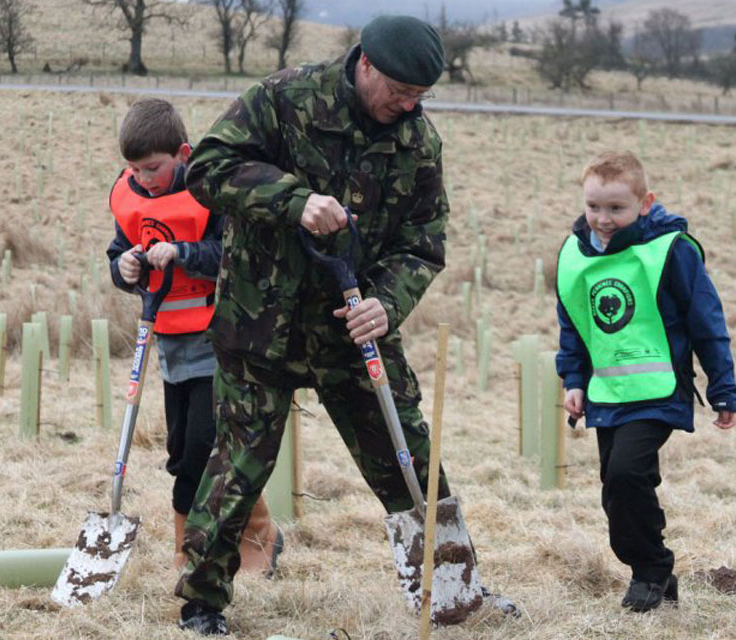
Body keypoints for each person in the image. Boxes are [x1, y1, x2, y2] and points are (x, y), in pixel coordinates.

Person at [174, 15, 515, 635]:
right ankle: (201, 601)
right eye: (399, 91)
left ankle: (453, 593)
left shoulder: (418, 144)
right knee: (239, 467)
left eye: (419, 96)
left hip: (355, 335)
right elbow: (208, 169)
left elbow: (424, 242)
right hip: (260, 326)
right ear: (365, 64)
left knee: (409, 459)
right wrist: (292, 200)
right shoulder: (284, 97)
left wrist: (387, 301)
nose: (407, 105)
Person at [555, 151, 736, 613]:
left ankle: (650, 572)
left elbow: (706, 320)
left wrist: (723, 387)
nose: (603, 218)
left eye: (616, 208)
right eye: (594, 207)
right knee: (616, 493)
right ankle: (656, 568)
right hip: (606, 395)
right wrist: (573, 380)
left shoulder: (670, 249)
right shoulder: (575, 255)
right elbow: (575, 325)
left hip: (659, 392)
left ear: (645, 202)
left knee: (627, 473)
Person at [106, 98, 281, 578]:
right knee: (182, 450)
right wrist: (123, 268)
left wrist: (181, 252)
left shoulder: (211, 190)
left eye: (153, 168)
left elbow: (231, 254)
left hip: (217, 340)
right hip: (170, 346)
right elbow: (119, 249)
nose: (143, 178)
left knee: (203, 447)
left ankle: (193, 552)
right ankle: (257, 523)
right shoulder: (131, 194)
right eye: (135, 170)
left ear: (183, 153)